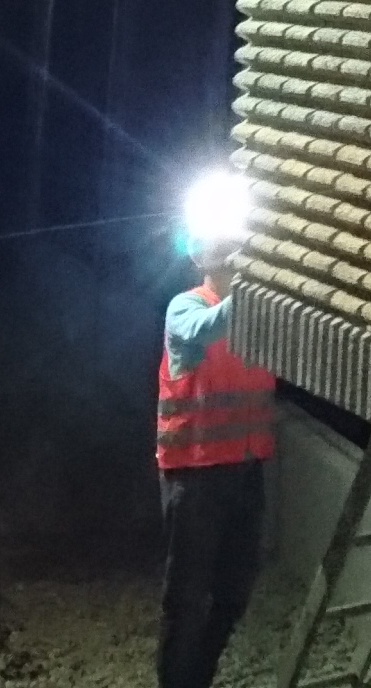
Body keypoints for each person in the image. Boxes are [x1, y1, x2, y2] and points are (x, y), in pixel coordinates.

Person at [154, 219, 278, 688]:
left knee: (233, 592)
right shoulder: (185, 308)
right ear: (197, 255)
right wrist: (263, 280)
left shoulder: (260, 315)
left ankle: (196, 680)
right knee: (185, 602)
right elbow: (212, 326)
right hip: (195, 474)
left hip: (245, 470)